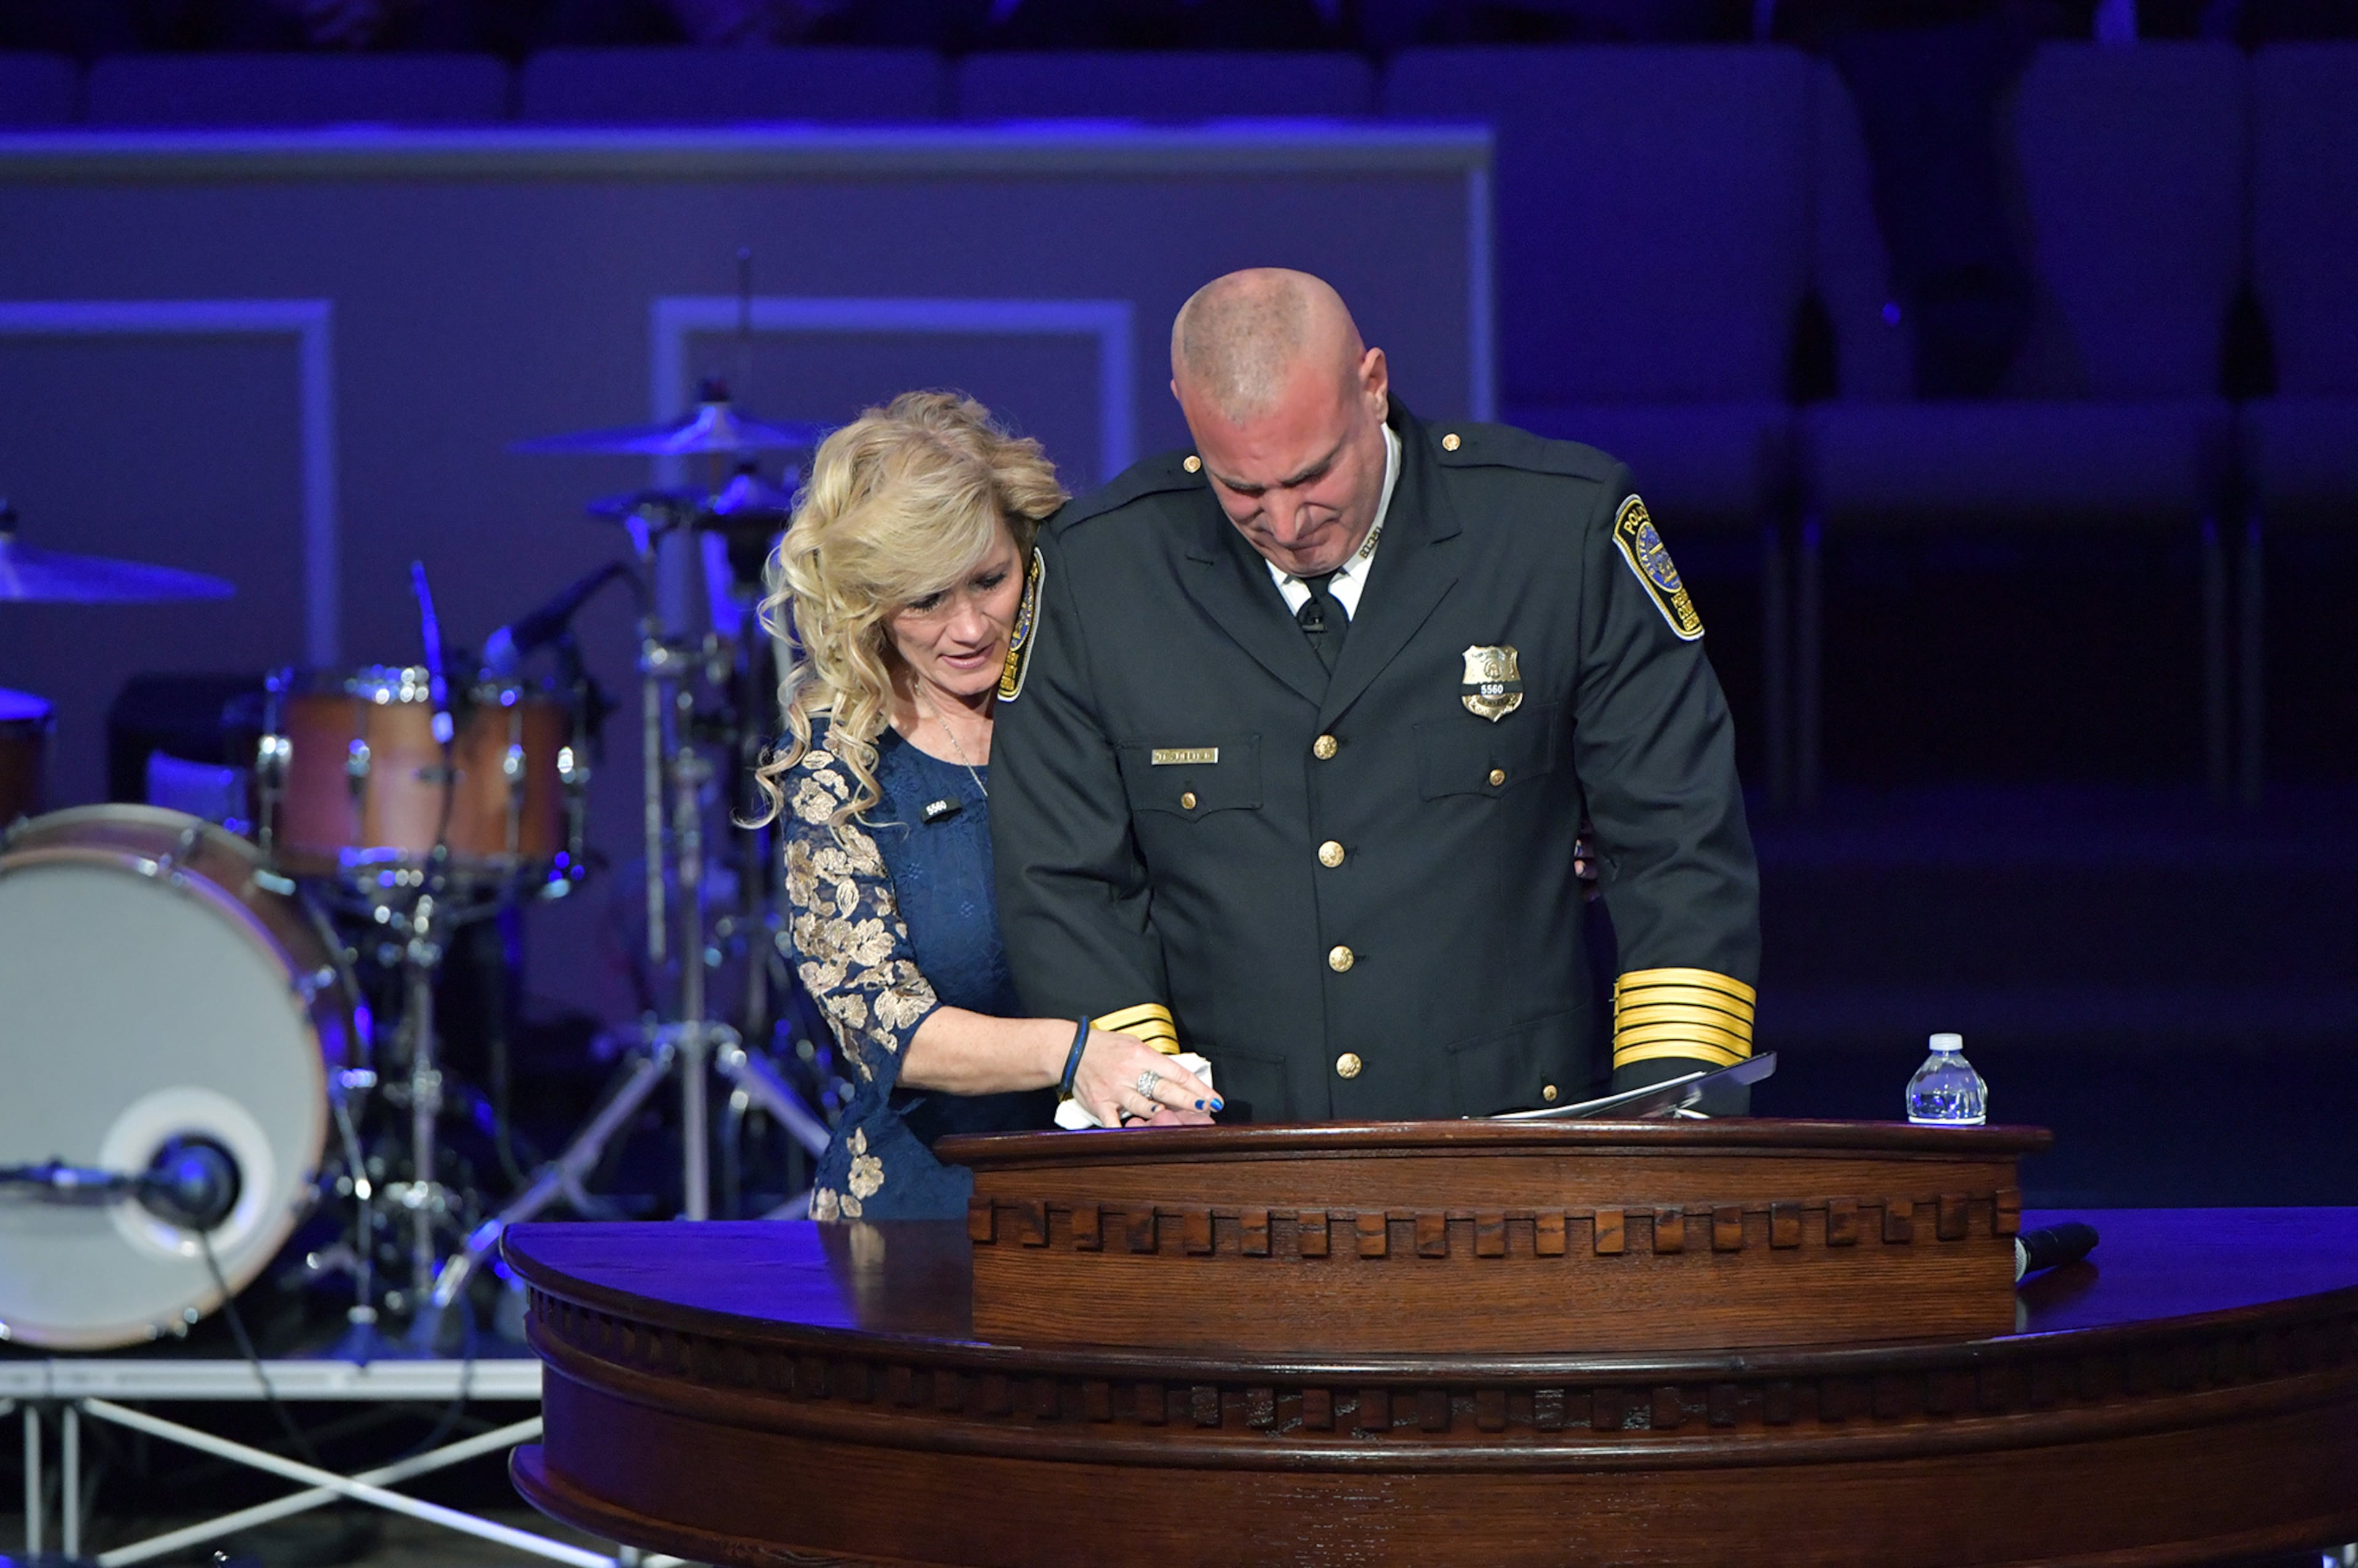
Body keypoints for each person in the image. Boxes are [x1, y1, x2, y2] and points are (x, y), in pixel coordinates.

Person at [989, 269, 1761, 1123]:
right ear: (1182, 411)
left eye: (1314, 474)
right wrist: (1149, 1110)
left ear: (1375, 385)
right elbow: (1066, 881)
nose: (1286, 524)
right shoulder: (1101, 575)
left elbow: (1677, 841)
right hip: (1224, 1157)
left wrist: (1671, 1117)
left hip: (1518, 1147)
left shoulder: (1557, 535)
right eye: (1242, 489)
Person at [752, 391, 1216, 1222]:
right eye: (925, 599)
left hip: (1146, 1207)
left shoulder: (1108, 707)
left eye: (989, 580)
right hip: (926, 1219)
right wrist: (1076, 1055)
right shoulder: (842, 768)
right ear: (867, 605)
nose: (967, 626)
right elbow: (887, 1025)